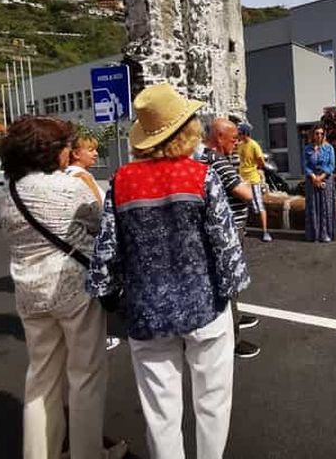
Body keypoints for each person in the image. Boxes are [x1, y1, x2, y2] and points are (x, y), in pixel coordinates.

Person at [87, 83, 249, 459]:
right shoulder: (201, 176)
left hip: (147, 312)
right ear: (186, 129)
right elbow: (226, 245)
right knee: (212, 403)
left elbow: (107, 248)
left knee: (160, 413)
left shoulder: (123, 181)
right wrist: (231, 289)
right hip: (204, 306)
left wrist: (110, 294)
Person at [0, 116, 126, 459]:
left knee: (40, 378)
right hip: (73, 289)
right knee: (85, 375)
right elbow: (101, 225)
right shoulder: (67, 188)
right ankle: (88, 453)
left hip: (28, 290)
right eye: (66, 147)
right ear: (51, 151)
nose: (69, 153)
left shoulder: (8, 192)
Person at [200, 117, 261, 359]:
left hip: (227, 227)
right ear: (219, 137)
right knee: (229, 279)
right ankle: (233, 336)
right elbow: (245, 192)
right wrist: (251, 185)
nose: (236, 142)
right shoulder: (215, 160)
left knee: (229, 281)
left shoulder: (211, 158)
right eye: (233, 138)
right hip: (229, 229)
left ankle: (235, 317)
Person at [66, 134, 121, 352]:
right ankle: (97, 338)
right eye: (90, 150)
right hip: (89, 241)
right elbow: (97, 212)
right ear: (76, 153)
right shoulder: (81, 176)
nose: (96, 153)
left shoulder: (66, 175)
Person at [237, 123, 272, 242]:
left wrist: (256, 169)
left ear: (245, 134)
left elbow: (261, 162)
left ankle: (265, 231)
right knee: (243, 205)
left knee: (259, 205)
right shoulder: (240, 145)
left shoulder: (254, 145)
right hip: (243, 178)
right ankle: (244, 229)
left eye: (239, 133)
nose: (238, 135)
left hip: (253, 179)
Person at [303, 124, 336, 243]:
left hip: (325, 178)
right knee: (313, 205)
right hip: (311, 179)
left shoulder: (329, 148)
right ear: (313, 134)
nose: (319, 136)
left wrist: (321, 177)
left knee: (326, 206)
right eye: (317, 133)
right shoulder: (307, 149)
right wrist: (313, 177)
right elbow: (306, 165)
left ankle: (325, 233)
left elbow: (331, 165)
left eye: (321, 133)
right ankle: (314, 234)